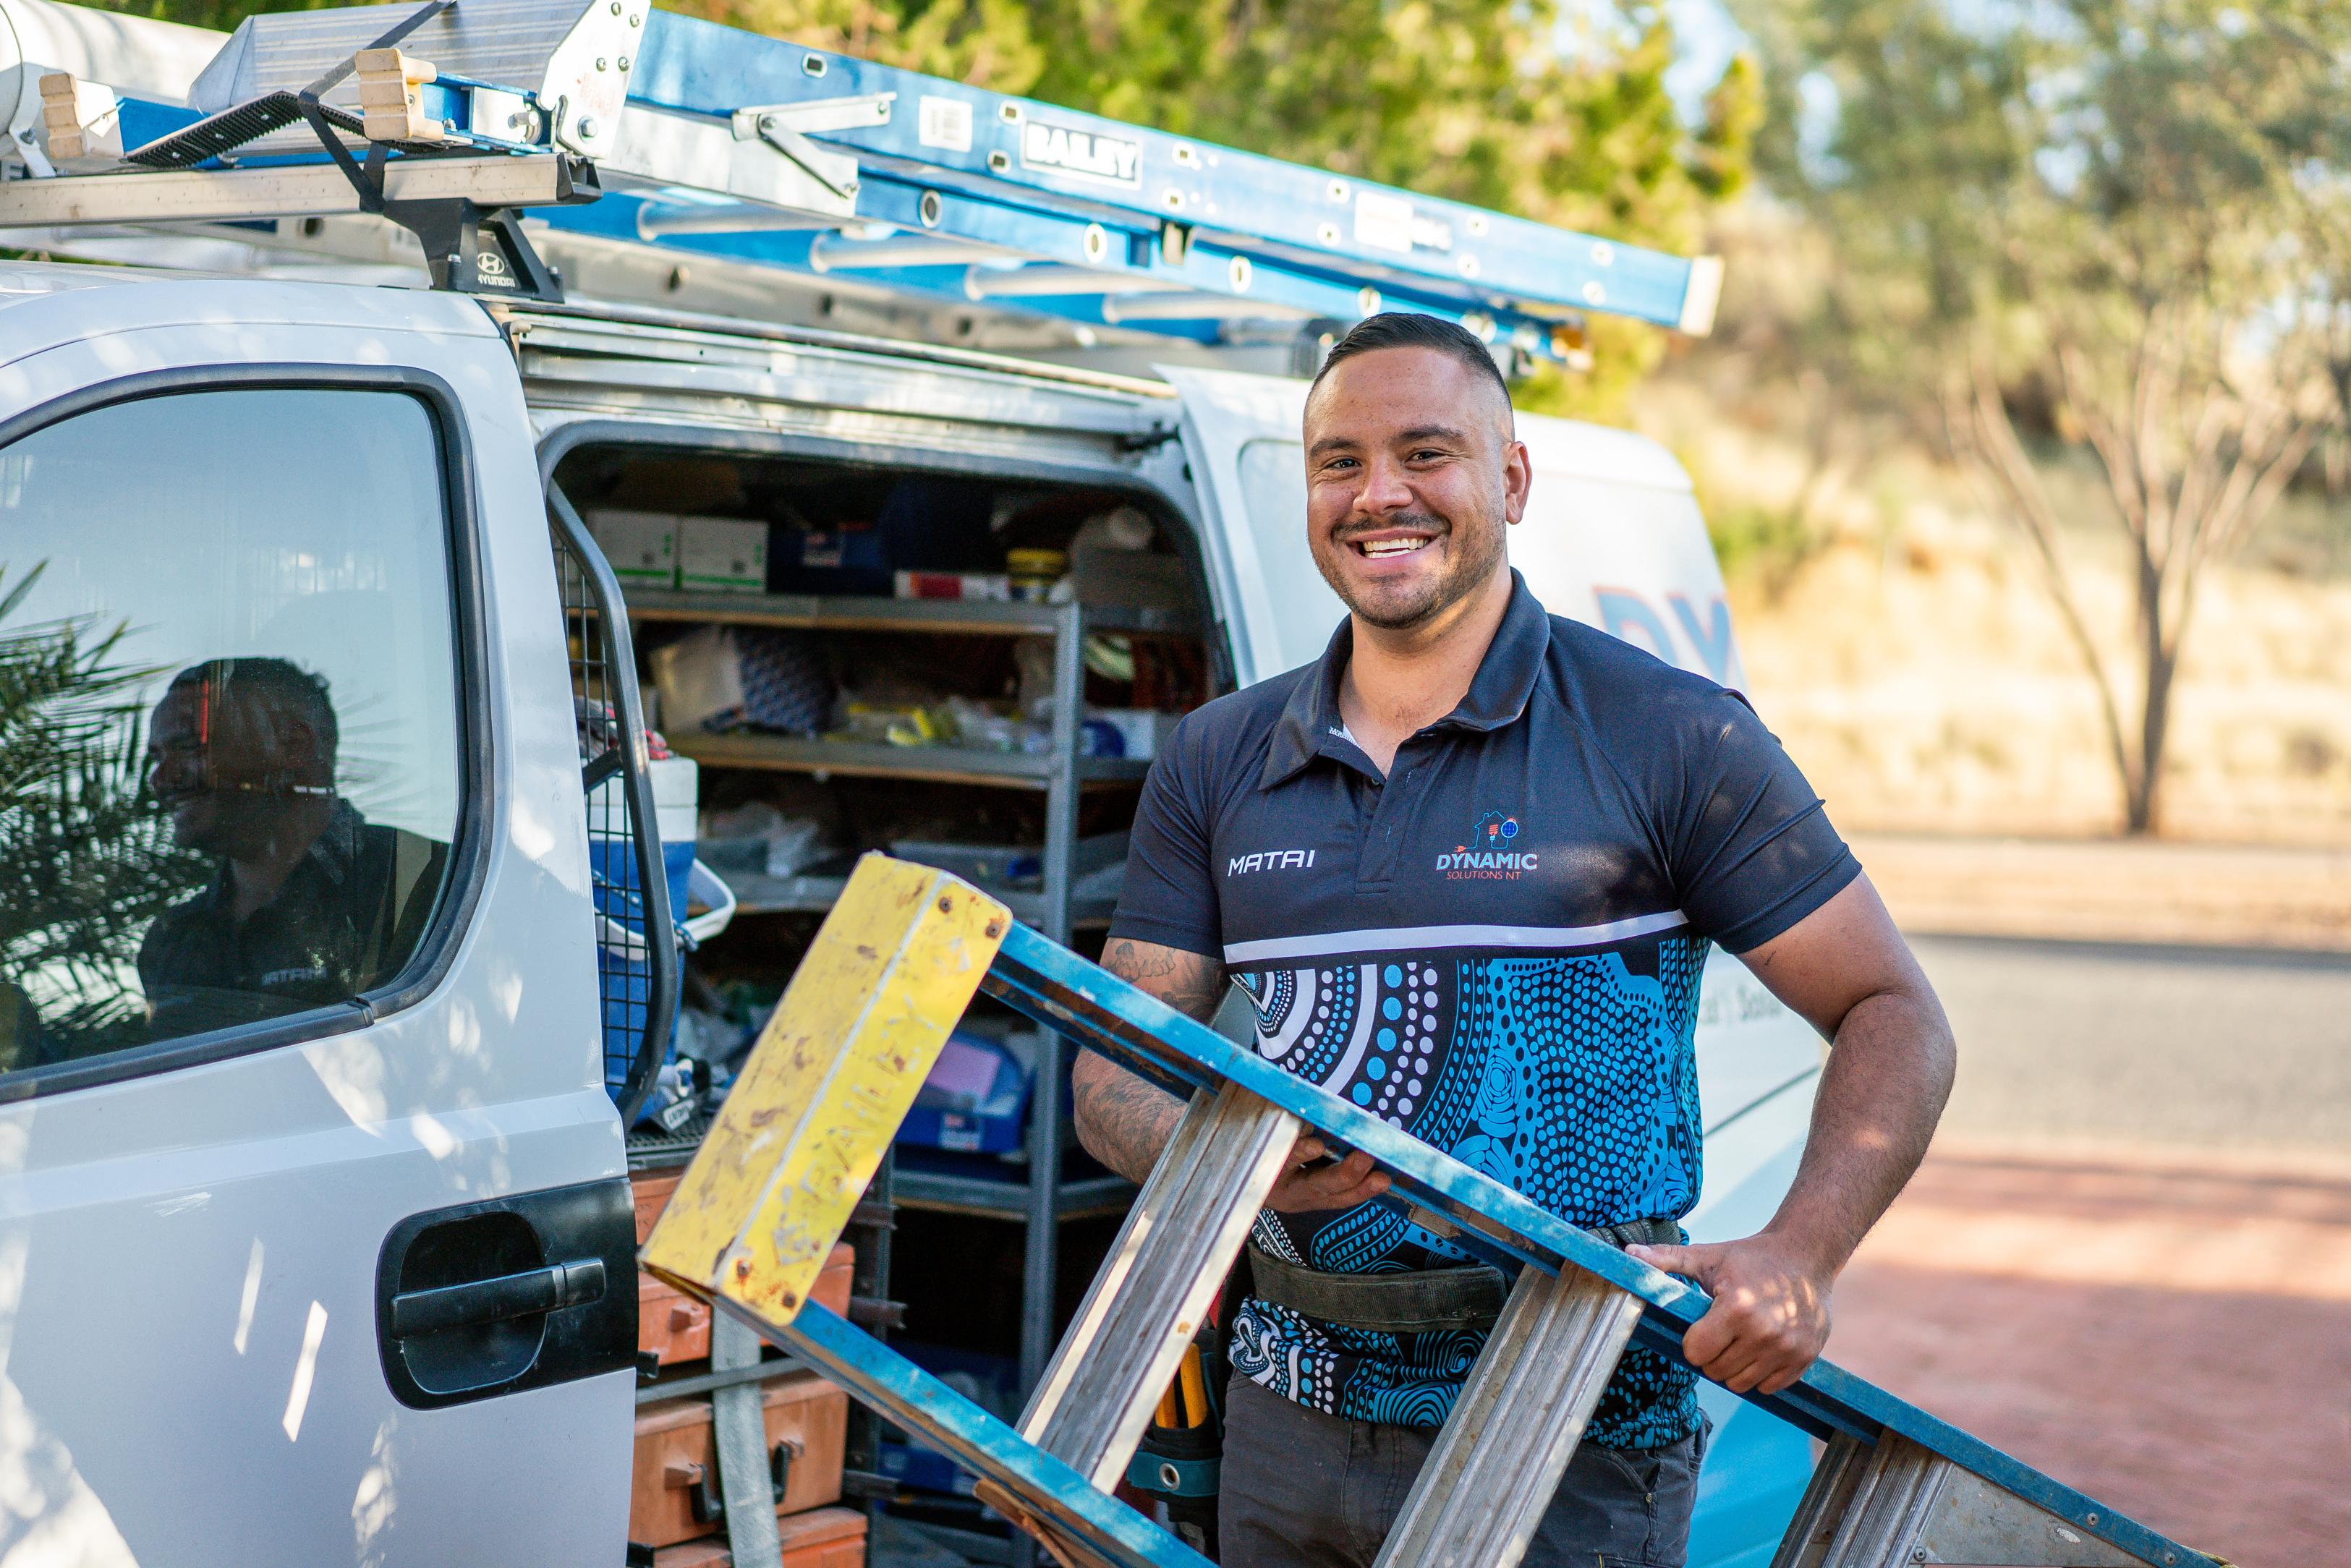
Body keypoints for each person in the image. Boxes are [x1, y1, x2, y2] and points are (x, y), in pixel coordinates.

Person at [1074, 313, 1957, 1568]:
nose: (1379, 494)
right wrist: (1236, 1154)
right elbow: (1111, 1071)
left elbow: (1892, 1009)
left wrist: (1802, 1251)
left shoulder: (1673, 734)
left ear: (1511, 478)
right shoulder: (1221, 757)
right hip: (1284, 1418)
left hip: (1572, 1423)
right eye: (1339, 461)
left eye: (1426, 452)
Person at [137, 657, 446, 1041]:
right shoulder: (170, 940)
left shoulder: (427, 882)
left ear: (294, 746)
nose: (160, 779)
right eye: (156, 757)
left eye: (189, 747)